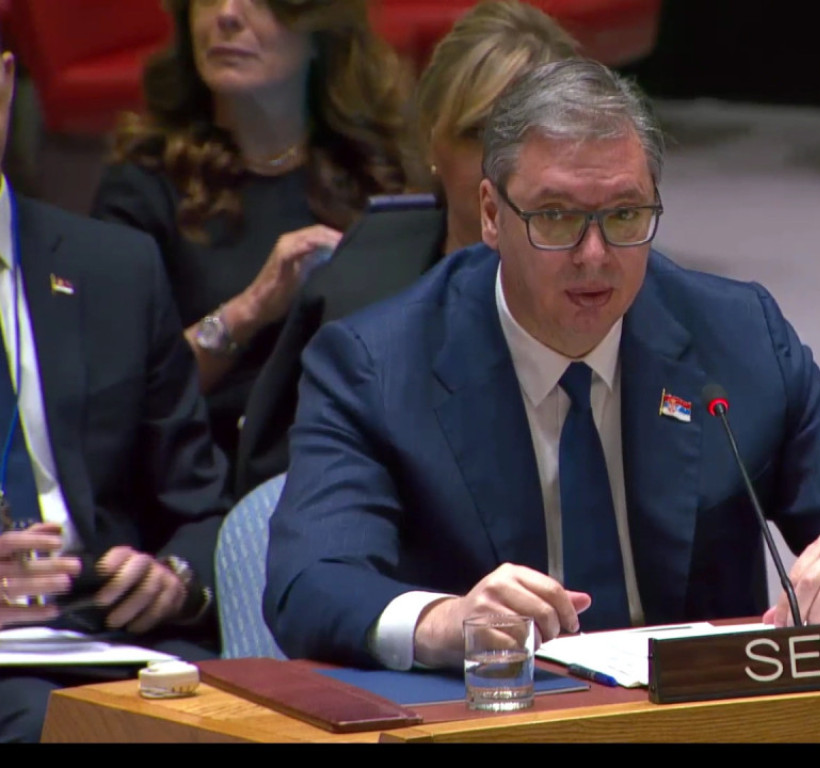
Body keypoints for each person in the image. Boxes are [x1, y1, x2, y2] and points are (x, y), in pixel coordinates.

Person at [263, 59, 820, 671]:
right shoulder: (377, 366)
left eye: (625, 215)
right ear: (490, 214)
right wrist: (445, 622)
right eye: (555, 216)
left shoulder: (736, 337)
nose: (595, 255)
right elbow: (310, 583)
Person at [233, 0, 580, 497]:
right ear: (432, 140)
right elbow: (279, 487)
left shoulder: (620, 290)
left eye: (536, 136)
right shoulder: (356, 293)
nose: (509, 165)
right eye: (479, 134)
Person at [0, 46, 230, 742]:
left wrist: (175, 575)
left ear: (5, 84)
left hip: (116, 640)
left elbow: (200, 505)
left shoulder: (115, 270)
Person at [89, 0, 407, 472]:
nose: (227, 15)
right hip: (213, 473)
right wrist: (249, 310)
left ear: (319, 28)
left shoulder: (378, 170)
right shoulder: (142, 187)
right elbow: (117, 398)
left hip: (360, 461)